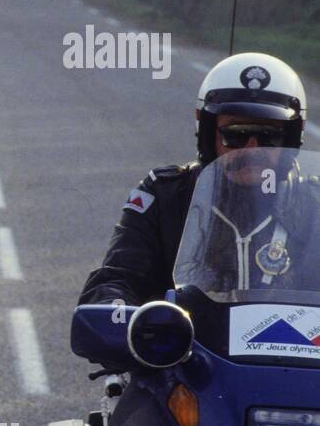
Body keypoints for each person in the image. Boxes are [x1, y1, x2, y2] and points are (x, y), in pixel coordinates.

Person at [80, 53, 308, 306]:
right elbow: (119, 276)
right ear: (208, 132)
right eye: (236, 134)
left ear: (291, 138)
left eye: (269, 136)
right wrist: (112, 306)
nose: (251, 149)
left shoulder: (314, 206)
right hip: (184, 344)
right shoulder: (165, 195)